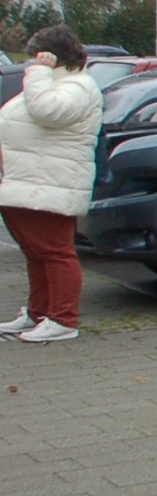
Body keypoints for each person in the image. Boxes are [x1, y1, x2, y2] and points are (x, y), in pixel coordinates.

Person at [0, 25, 102, 344]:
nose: (32, 63)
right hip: (30, 180)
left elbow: (48, 111)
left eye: (38, 56)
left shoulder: (78, 86)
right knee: (35, 252)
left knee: (55, 252)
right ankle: (38, 312)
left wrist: (39, 74)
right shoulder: (58, 81)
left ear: (52, 56)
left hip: (51, 182)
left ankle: (62, 318)